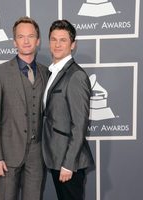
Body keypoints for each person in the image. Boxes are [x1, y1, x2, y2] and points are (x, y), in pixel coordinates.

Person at [0, 16, 48, 200]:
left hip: (37, 155)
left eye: (30, 36)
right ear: (14, 42)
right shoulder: (0, 72)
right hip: (7, 154)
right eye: (21, 37)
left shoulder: (46, 72)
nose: (26, 41)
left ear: (38, 40)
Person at [42, 19, 94, 200]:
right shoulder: (52, 72)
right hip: (55, 156)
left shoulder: (76, 76)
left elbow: (80, 124)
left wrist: (68, 164)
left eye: (63, 40)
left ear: (73, 45)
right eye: (53, 39)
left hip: (68, 162)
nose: (57, 44)